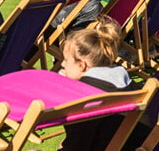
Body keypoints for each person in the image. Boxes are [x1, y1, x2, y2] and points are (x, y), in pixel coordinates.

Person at [57, 15, 151, 150]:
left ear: (82, 65)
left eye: (66, 60)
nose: (62, 64)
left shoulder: (86, 97)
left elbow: (75, 145)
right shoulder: (127, 83)